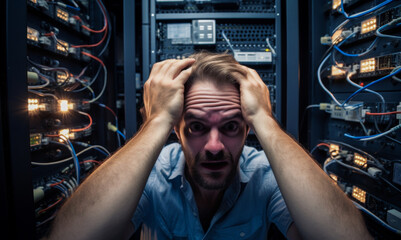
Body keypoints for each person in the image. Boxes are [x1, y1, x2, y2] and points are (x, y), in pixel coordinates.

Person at [46, 52, 372, 240]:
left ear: (248, 129)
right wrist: (156, 121)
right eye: (197, 127)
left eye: (231, 127)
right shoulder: (151, 176)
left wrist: (265, 120)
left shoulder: (263, 177)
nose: (214, 146)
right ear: (177, 128)